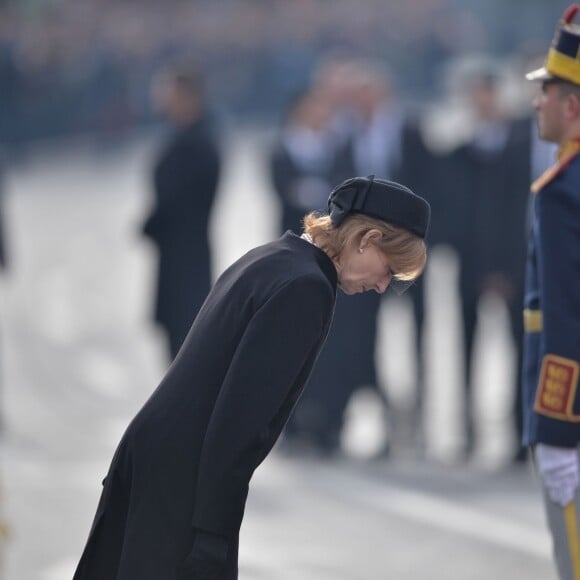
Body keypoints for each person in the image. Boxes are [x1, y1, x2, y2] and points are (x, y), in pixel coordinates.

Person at [73, 175, 430, 580]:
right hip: (181, 488)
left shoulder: (273, 257)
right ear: (367, 239)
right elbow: (239, 423)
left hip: (155, 463)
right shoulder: (307, 289)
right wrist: (212, 535)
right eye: (389, 270)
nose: (383, 285)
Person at [444, 58, 532, 461]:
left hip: (515, 263)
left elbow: (521, 210)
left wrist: (505, 266)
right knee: (464, 349)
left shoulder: (524, 143)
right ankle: (466, 432)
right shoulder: (460, 150)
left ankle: (519, 434)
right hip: (470, 264)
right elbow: (454, 211)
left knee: (522, 347)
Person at [522, 5, 580, 579]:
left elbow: (563, 314)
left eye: (547, 91)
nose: (537, 102)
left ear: (573, 105)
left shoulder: (563, 189)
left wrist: (558, 431)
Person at [142, 62, 221, 361]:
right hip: (177, 252)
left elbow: (176, 199)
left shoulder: (196, 143)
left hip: (187, 253)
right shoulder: (186, 137)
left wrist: (149, 225)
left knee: (186, 339)